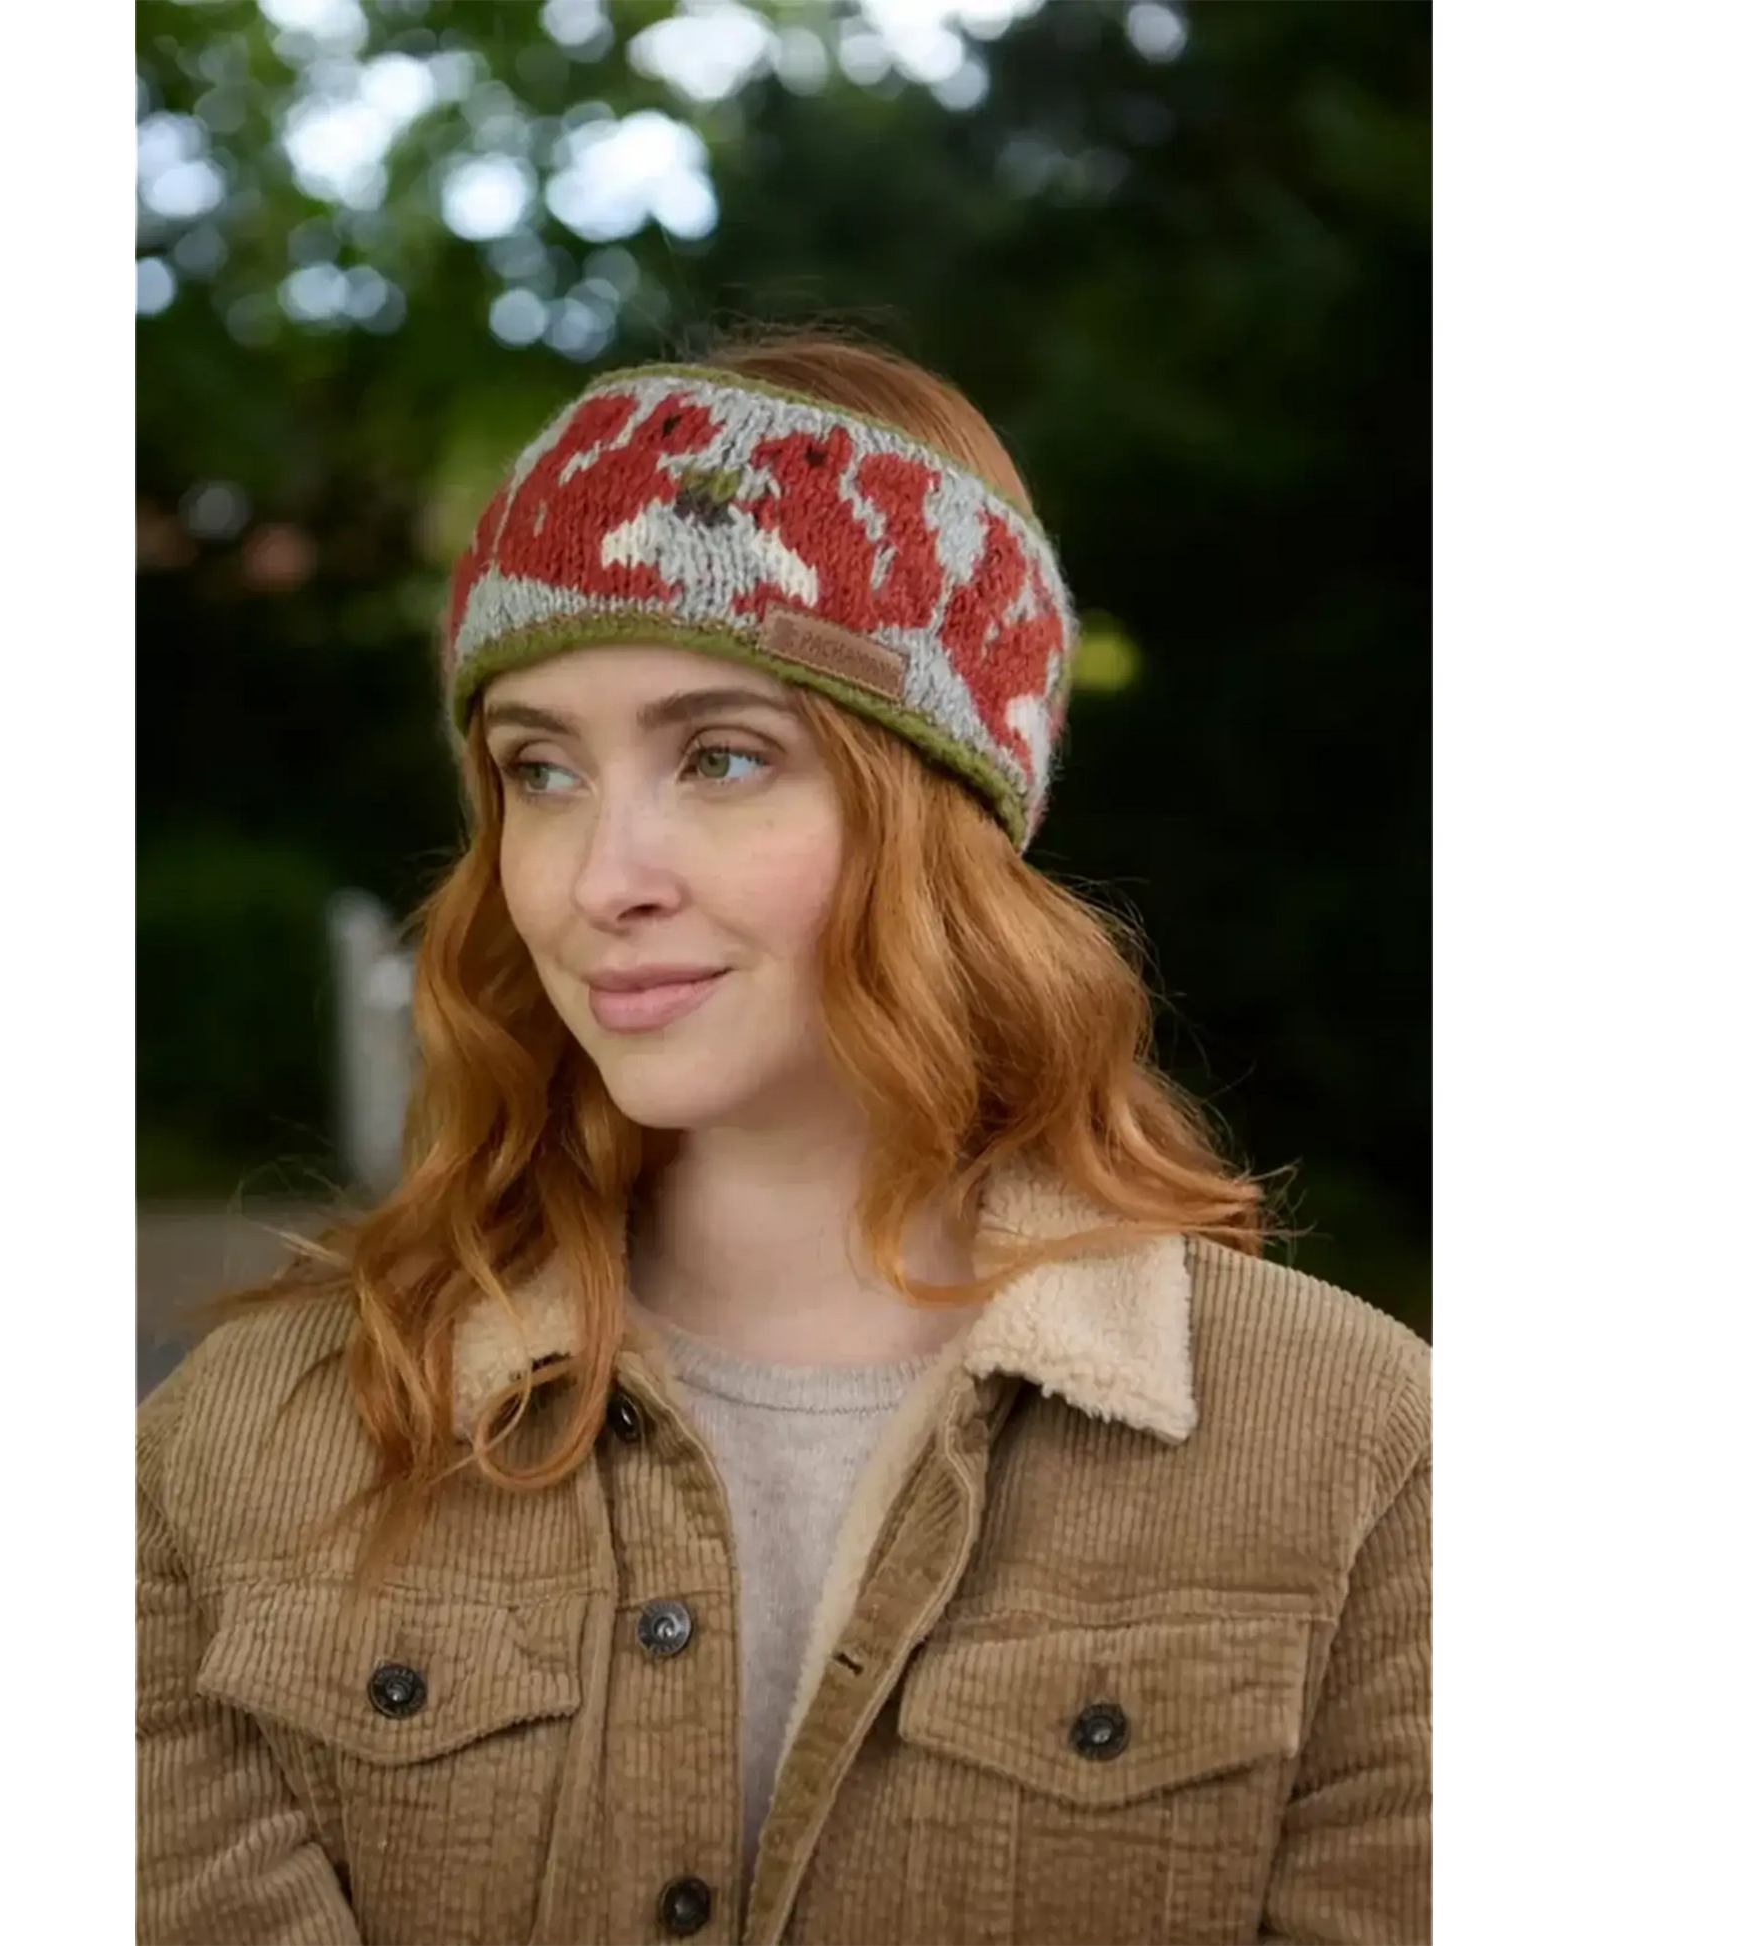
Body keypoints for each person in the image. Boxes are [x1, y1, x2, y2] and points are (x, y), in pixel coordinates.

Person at [134, 333, 1433, 1946]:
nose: (596, 876)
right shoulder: (239, 1446)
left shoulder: (1356, 1451)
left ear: (940, 812)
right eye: (538, 769)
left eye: (722, 755)